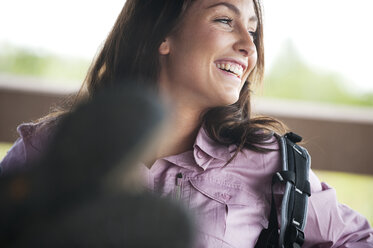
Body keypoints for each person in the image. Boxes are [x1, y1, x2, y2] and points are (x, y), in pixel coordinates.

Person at [1, 0, 372, 247]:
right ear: (163, 34)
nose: (249, 45)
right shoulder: (50, 146)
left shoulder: (273, 162)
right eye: (226, 20)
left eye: (254, 31)